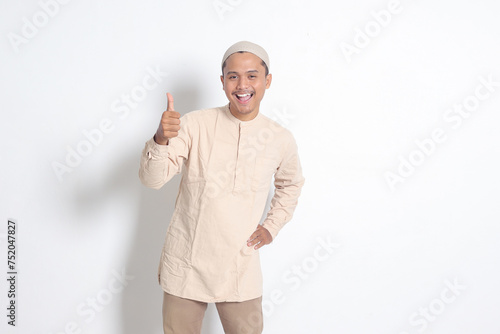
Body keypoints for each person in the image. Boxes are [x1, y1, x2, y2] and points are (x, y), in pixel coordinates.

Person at [138, 41, 305, 334]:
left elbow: (291, 184)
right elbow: (152, 180)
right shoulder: (194, 125)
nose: (242, 84)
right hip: (187, 262)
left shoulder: (280, 138)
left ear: (267, 81)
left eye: (252, 76)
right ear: (222, 81)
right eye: (233, 76)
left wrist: (271, 226)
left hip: (240, 266)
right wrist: (161, 138)